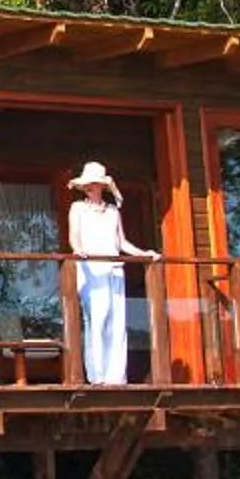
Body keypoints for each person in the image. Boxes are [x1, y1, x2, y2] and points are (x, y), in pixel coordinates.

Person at [67, 161, 160, 386]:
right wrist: (78, 250)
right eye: (87, 184)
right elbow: (74, 236)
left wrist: (144, 254)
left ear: (101, 186)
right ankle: (97, 376)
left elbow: (122, 242)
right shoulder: (78, 208)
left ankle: (115, 377)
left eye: (93, 184)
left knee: (117, 321)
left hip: (115, 269)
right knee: (96, 319)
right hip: (91, 269)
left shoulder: (112, 212)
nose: (90, 187)